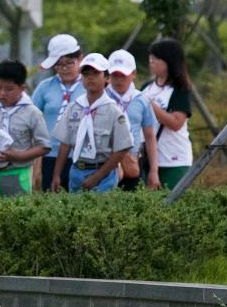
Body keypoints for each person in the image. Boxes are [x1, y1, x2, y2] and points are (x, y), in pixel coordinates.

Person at [52, 53, 133, 193]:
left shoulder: (114, 111)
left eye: (96, 73)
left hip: (103, 174)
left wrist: (97, 177)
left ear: (107, 77)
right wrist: (56, 175)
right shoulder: (74, 107)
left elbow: (121, 149)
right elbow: (65, 143)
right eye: (86, 73)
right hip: (77, 170)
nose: (90, 77)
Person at [0, 60, 50, 201]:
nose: (2, 93)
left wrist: (18, 156)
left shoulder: (32, 113)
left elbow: (44, 146)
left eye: (9, 89)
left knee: (15, 217)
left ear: (22, 88)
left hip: (17, 174)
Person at [33, 34, 84, 192]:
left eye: (69, 63)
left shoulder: (88, 86)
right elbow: (31, 115)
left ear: (80, 59)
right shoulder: (45, 87)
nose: (64, 69)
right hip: (51, 155)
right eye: (59, 65)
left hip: (81, 155)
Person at [143, 38, 194, 190]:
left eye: (157, 58)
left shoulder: (179, 89)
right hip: (149, 159)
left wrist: (151, 105)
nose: (151, 61)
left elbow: (176, 123)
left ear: (169, 61)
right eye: (151, 57)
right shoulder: (146, 87)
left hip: (174, 159)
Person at [107, 49, 160, 190]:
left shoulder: (142, 100)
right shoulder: (101, 98)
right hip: (104, 164)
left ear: (133, 74)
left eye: (123, 75)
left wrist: (154, 171)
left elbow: (150, 137)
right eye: (115, 75)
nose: (119, 79)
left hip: (133, 161)